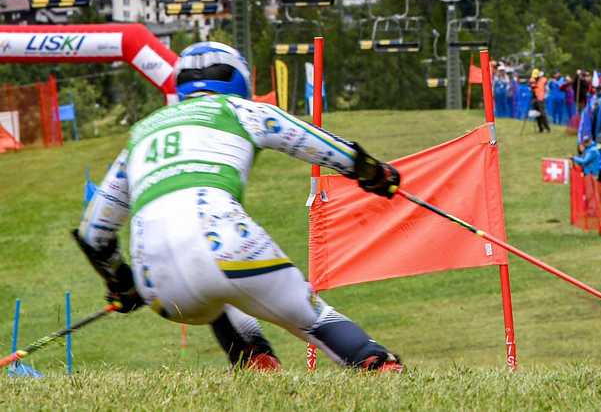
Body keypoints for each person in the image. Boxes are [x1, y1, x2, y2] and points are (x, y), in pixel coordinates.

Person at [71, 42, 403, 372]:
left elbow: (95, 233)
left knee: (217, 299)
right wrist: (373, 172)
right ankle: (376, 364)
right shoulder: (239, 109)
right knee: (311, 317)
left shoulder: (140, 134)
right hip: (224, 242)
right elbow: (319, 144)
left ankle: (254, 359)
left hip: (157, 281)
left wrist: (124, 284)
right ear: (240, 79)